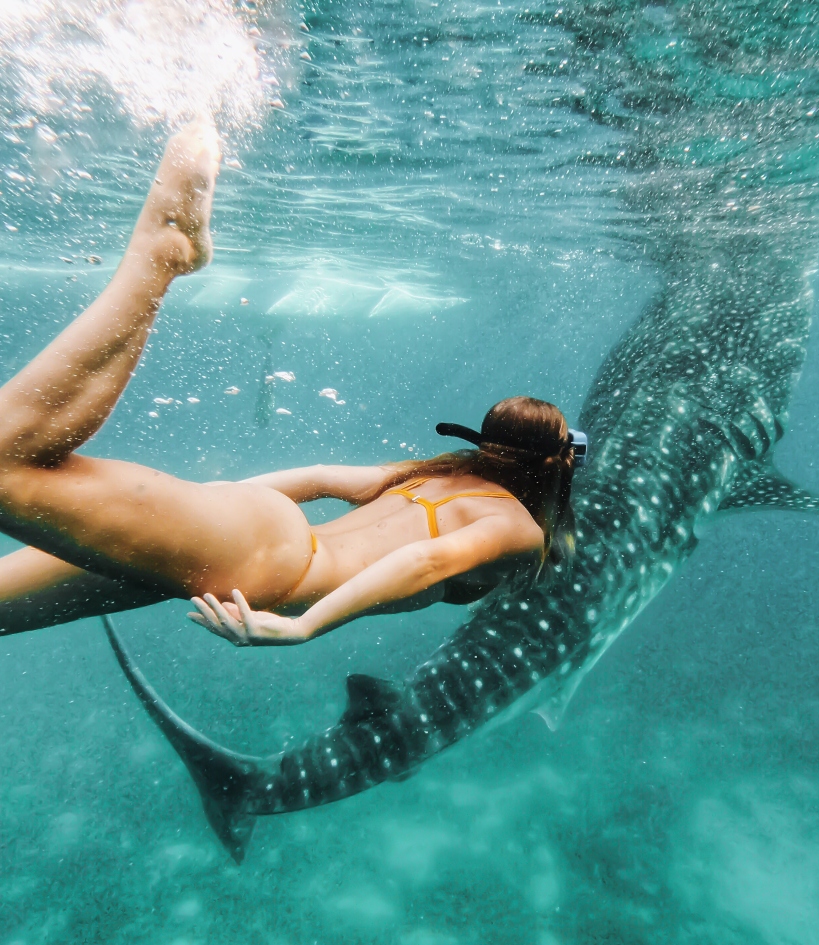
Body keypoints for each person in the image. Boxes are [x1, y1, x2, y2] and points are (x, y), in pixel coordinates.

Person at [0, 124, 584, 645]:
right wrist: (303, 624)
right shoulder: (519, 530)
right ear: (560, 464)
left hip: (253, 533)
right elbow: (427, 563)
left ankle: (162, 262)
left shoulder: (441, 474)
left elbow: (317, 478)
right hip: (264, 560)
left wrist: (217, 502)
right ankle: (160, 259)